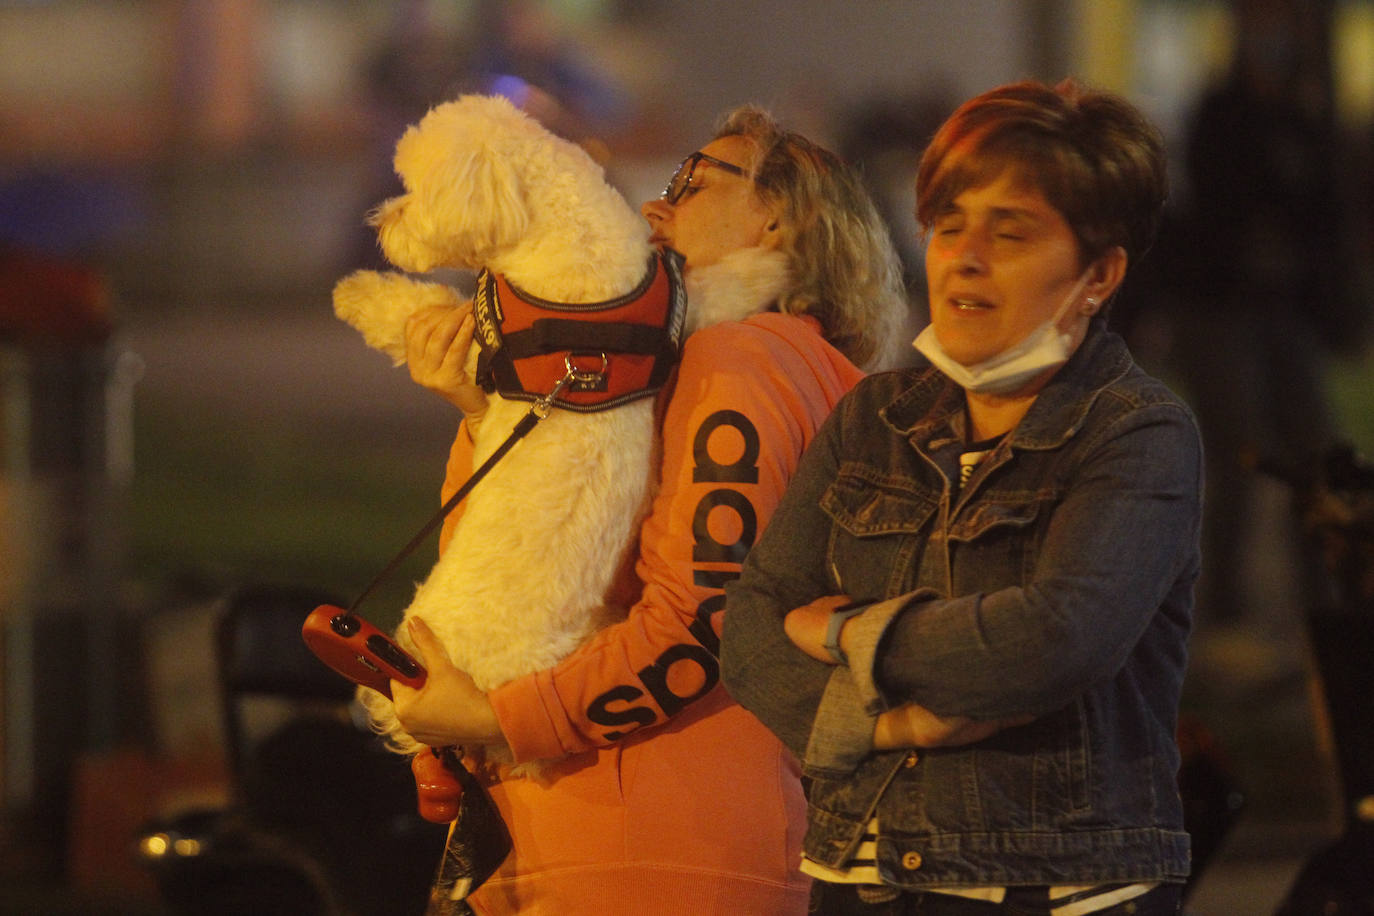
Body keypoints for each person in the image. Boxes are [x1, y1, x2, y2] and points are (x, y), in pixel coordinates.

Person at [388, 105, 908, 914]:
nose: (654, 207)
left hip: (649, 852)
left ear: (779, 220)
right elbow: (524, 577)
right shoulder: (759, 371)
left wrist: (500, 718)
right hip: (633, 845)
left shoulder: (740, 354)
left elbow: (703, 617)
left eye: (691, 182)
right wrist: (481, 411)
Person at [720, 79, 1203, 916]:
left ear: (1099, 273)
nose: (965, 255)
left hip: (1052, 887)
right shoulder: (875, 416)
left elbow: (1053, 641)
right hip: (859, 878)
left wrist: (844, 630)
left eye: (1009, 231)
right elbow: (753, 637)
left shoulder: (1136, 432)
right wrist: (889, 726)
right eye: (948, 225)